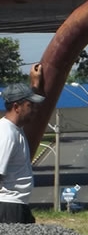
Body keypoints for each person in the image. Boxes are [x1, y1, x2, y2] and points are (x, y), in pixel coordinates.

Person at [0, 64, 45, 224]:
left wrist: (35, 83)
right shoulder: (6, 133)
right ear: (16, 107)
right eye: (29, 105)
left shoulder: (15, 128)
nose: (34, 109)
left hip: (17, 205)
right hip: (7, 207)